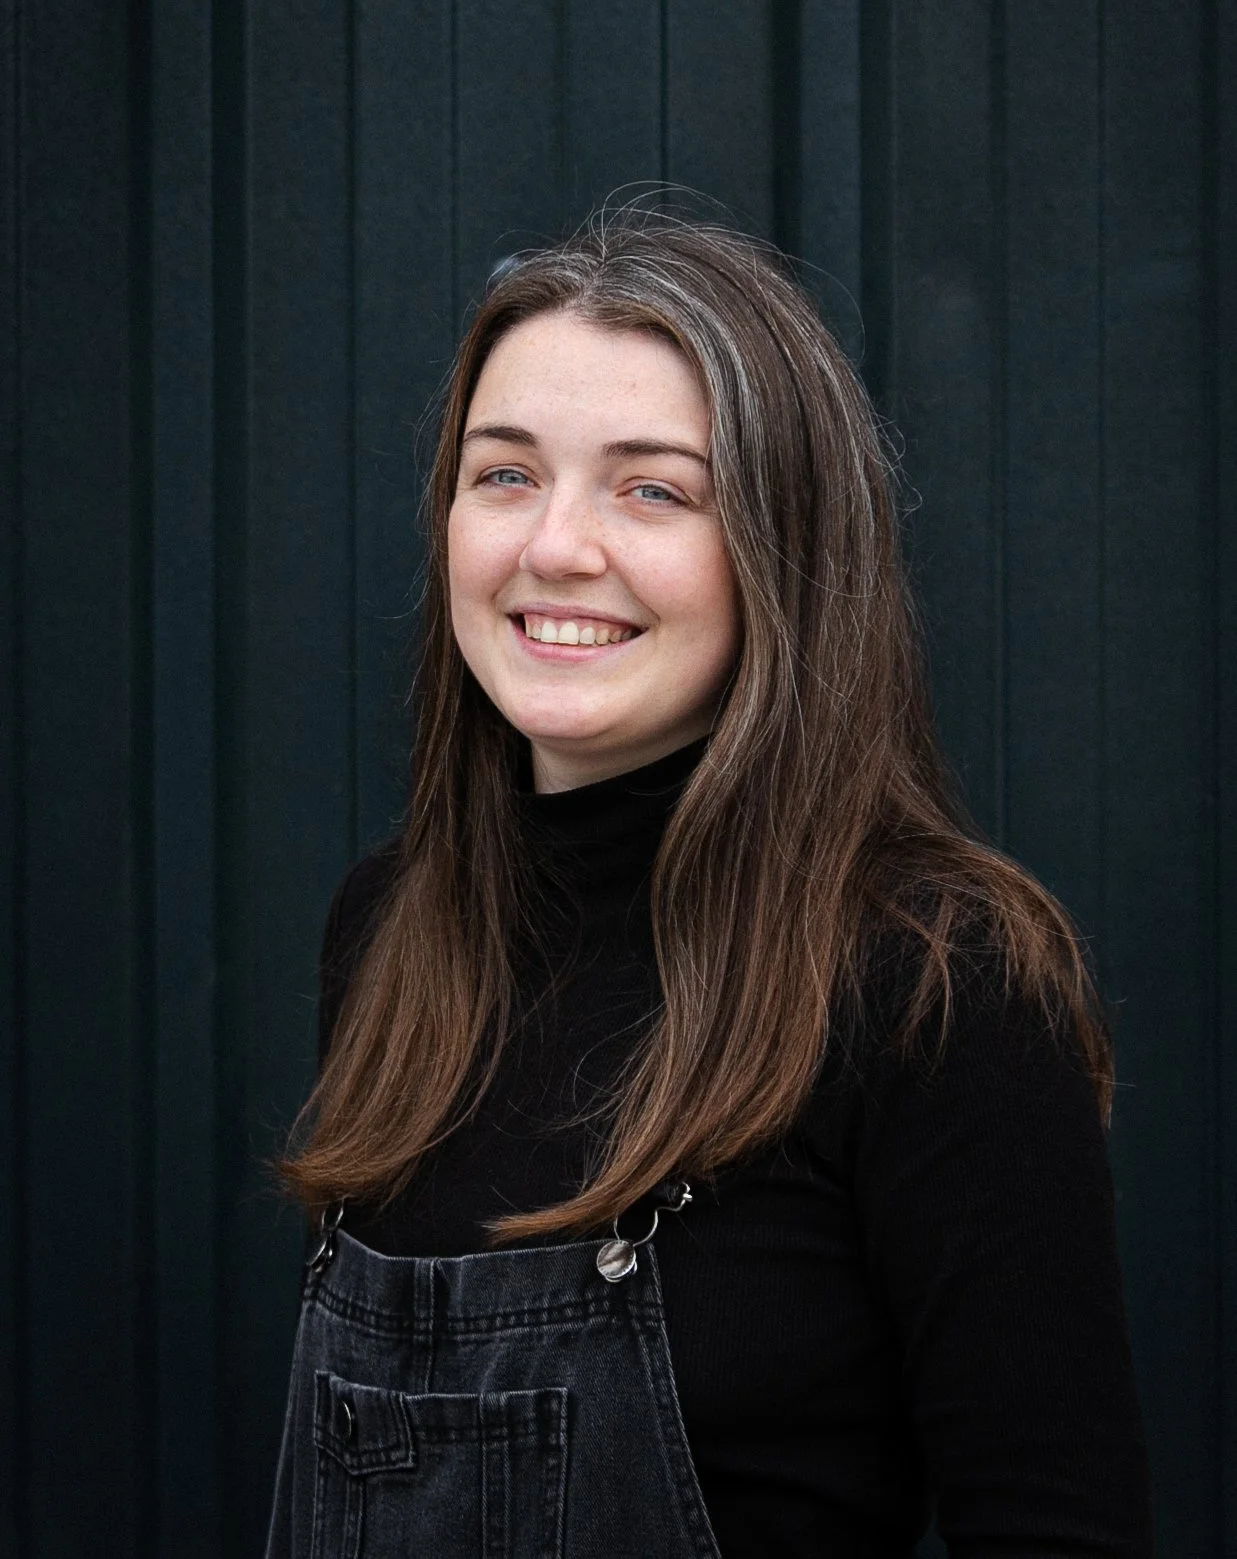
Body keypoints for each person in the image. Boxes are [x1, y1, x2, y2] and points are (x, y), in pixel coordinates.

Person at [265, 208, 1154, 1558]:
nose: (557, 547)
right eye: (505, 475)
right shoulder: (391, 932)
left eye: (655, 488)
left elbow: (1054, 1525)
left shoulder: (931, 978)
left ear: (785, 553)